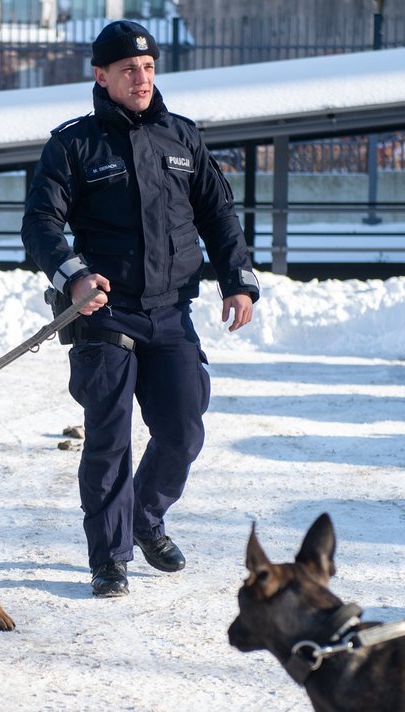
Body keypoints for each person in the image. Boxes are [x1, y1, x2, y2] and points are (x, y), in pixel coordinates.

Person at [21, 20, 260, 598]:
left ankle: (145, 518)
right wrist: (73, 276)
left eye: (149, 67)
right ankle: (110, 558)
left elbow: (219, 216)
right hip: (104, 313)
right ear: (101, 76)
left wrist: (239, 280)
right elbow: (40, 224)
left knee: (182, 429)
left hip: (172, 312)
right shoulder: (74, 144)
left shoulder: (183, 138)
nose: (142, 77)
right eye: (129, 69)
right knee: (109, 439)